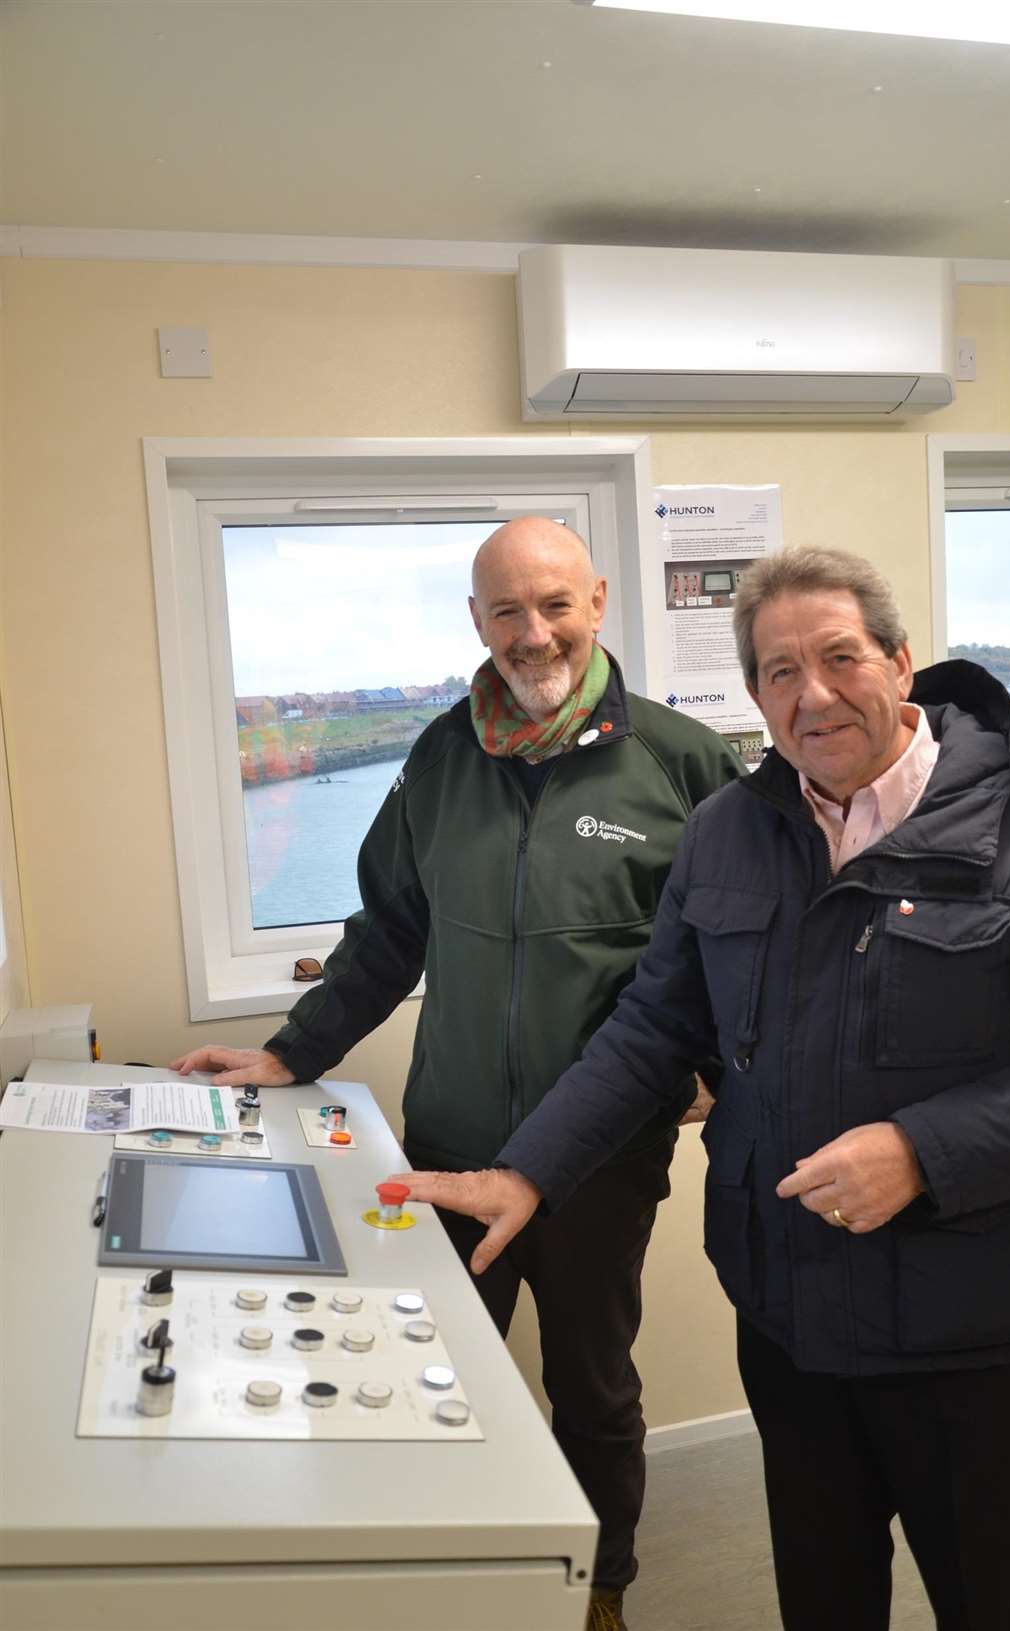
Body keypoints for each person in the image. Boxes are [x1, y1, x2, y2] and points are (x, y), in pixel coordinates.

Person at [397, 545, 1010, 1631]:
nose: (811, 695)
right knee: (821, 1596)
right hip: (787, 1314)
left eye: (840, 656)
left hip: (971, 1329)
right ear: (753, 693)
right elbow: (654, 1029)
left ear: (901, 662)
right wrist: (524, 1172)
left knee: (989, 1601)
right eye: (776, 672)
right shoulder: (729, 833)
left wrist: (921, 1148)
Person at [171, 516, 742, 1631]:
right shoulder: (439, 757)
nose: (535, 635)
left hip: (597, 1158)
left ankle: (601, 1585)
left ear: (598, 601)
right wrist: (293, 1050)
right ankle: (454, 1576)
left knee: (595, 1390)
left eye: (556, 605)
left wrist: (718, 1069)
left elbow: (734, 950)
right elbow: (390, 928)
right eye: (507, 611)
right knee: (428, 1370)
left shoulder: (684, 763)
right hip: (447, 1143)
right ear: (475, 621)